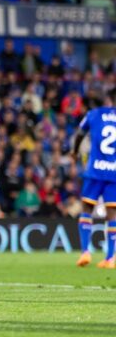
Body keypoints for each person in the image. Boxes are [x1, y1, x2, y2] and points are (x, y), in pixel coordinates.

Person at [72, 88, 116, 269]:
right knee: (112, 214)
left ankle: (85, 252)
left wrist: (75, 151)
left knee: (86, 208)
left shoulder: (94, 114)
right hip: (114, 172)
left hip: (95, 170)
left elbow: (80, 134)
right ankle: (110, 258)